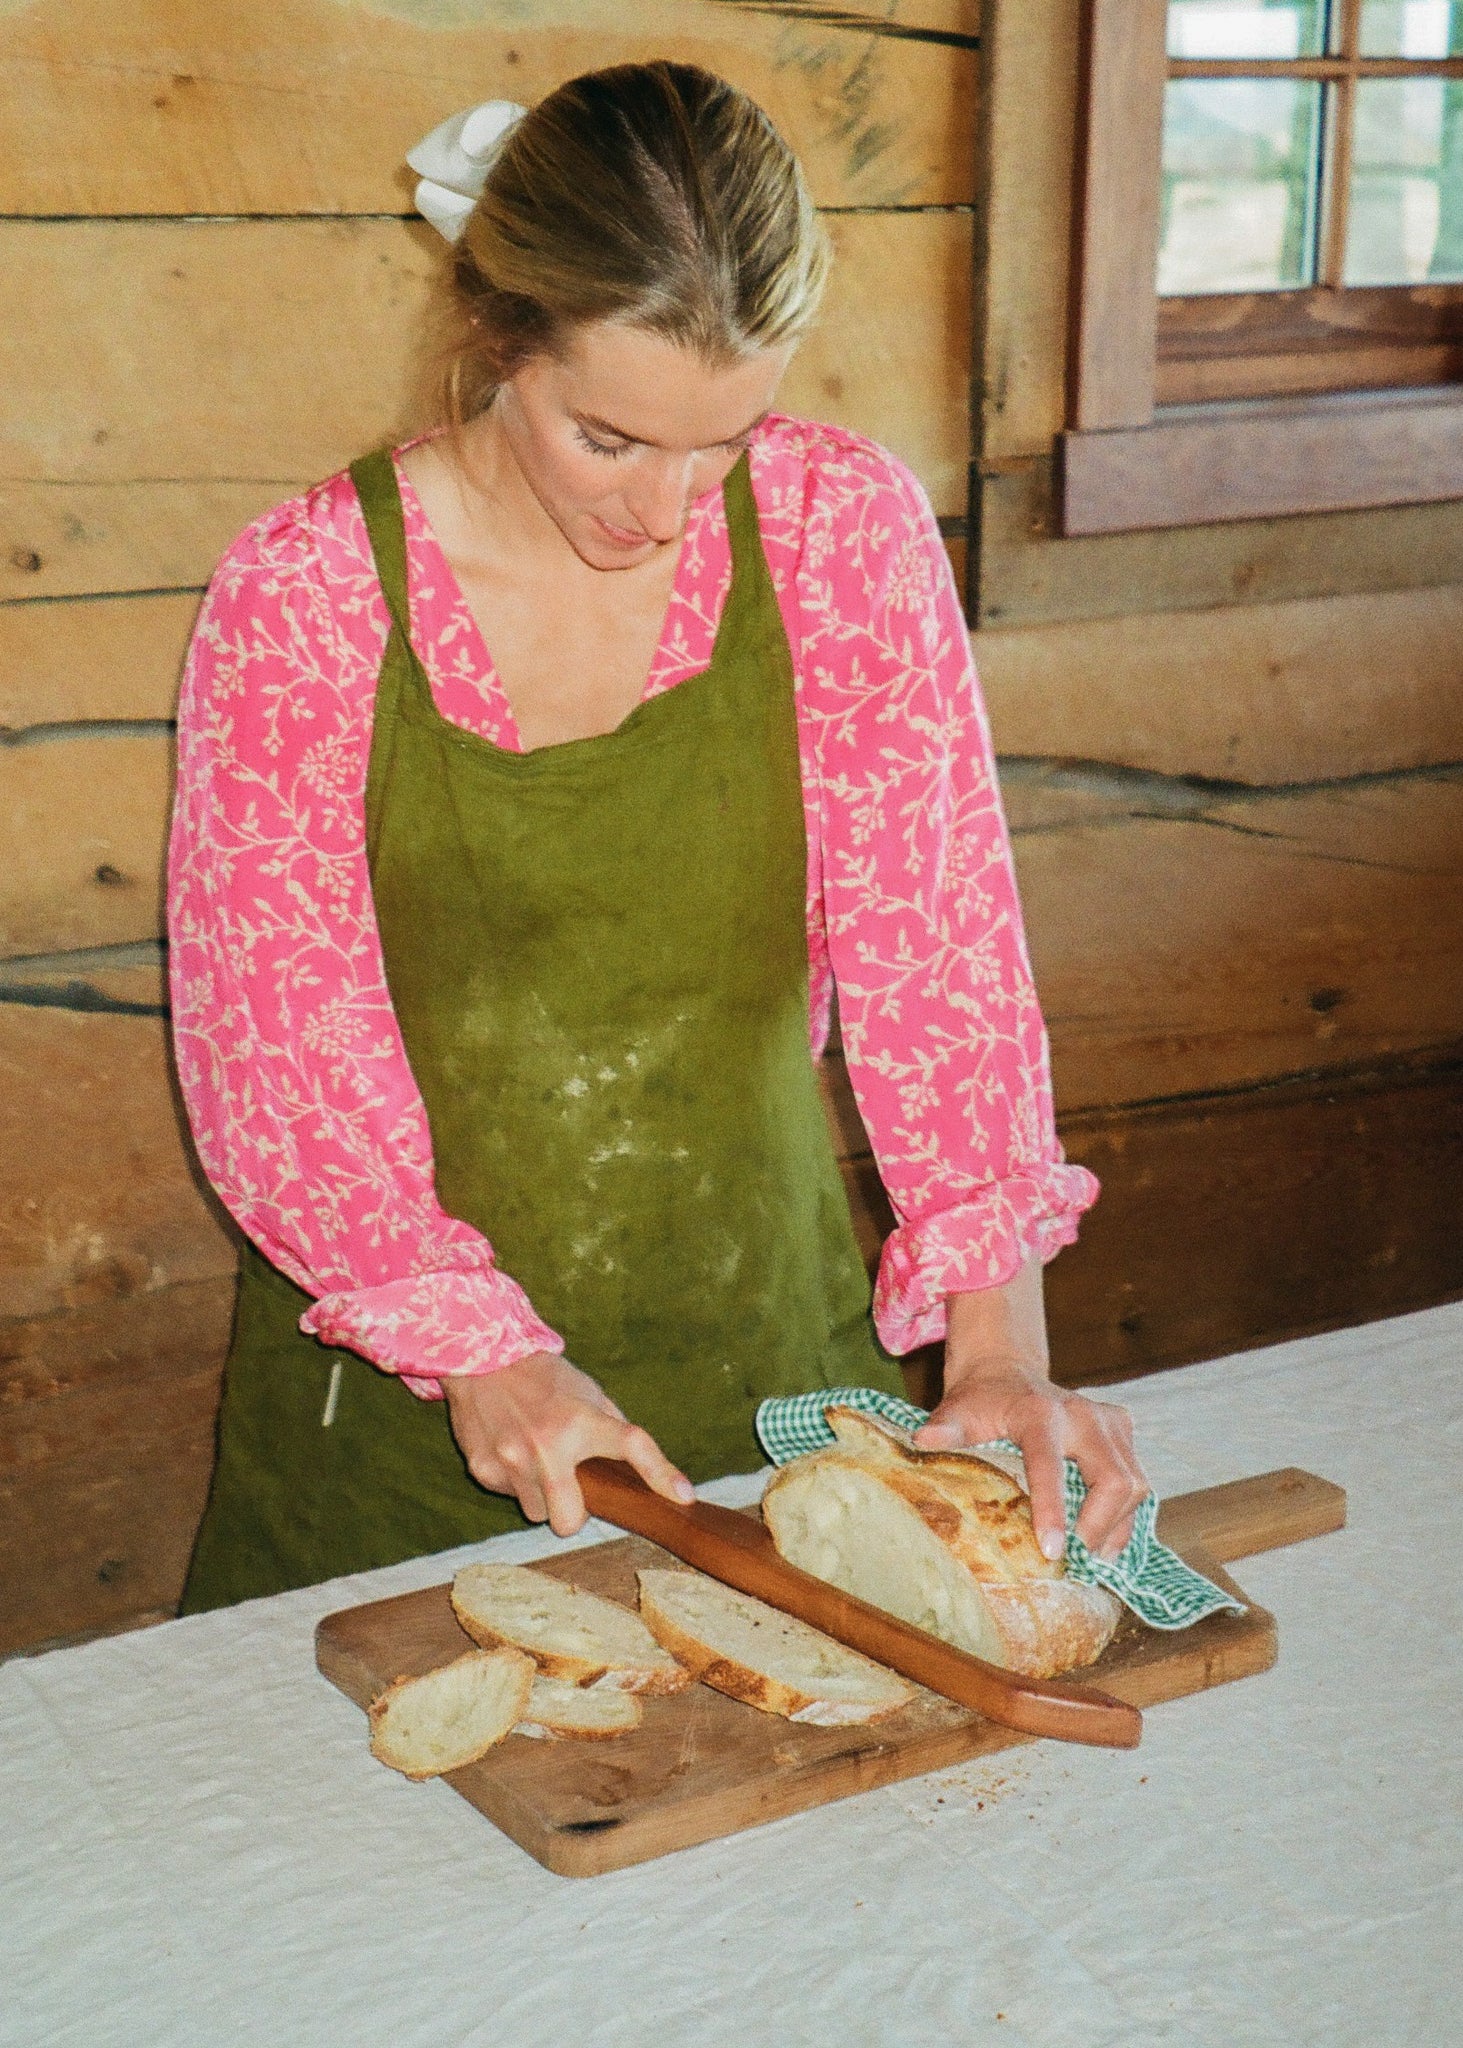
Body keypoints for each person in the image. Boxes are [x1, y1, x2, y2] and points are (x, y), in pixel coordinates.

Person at [168, 62, 1149, 1613]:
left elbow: (941, 968)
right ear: (502, 338)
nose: (671, 508)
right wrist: (484, 1354)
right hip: (405, 1417)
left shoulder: (838, 531)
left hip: (768, 1361)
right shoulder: (309, 599)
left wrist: (1000, 1350)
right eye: (612, 438)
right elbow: (281, 1054)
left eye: (726, 440)